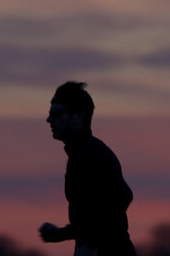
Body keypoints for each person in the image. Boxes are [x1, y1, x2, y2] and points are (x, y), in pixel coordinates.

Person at [39, 82, 136, 256]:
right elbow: (92, 219)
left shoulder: (90, 153)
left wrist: (92, 245)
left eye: (57, 113)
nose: (49, 119)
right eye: (50, 114)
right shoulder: (83, 153)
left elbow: (122, 196)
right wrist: (60, 234)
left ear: (79, 116)